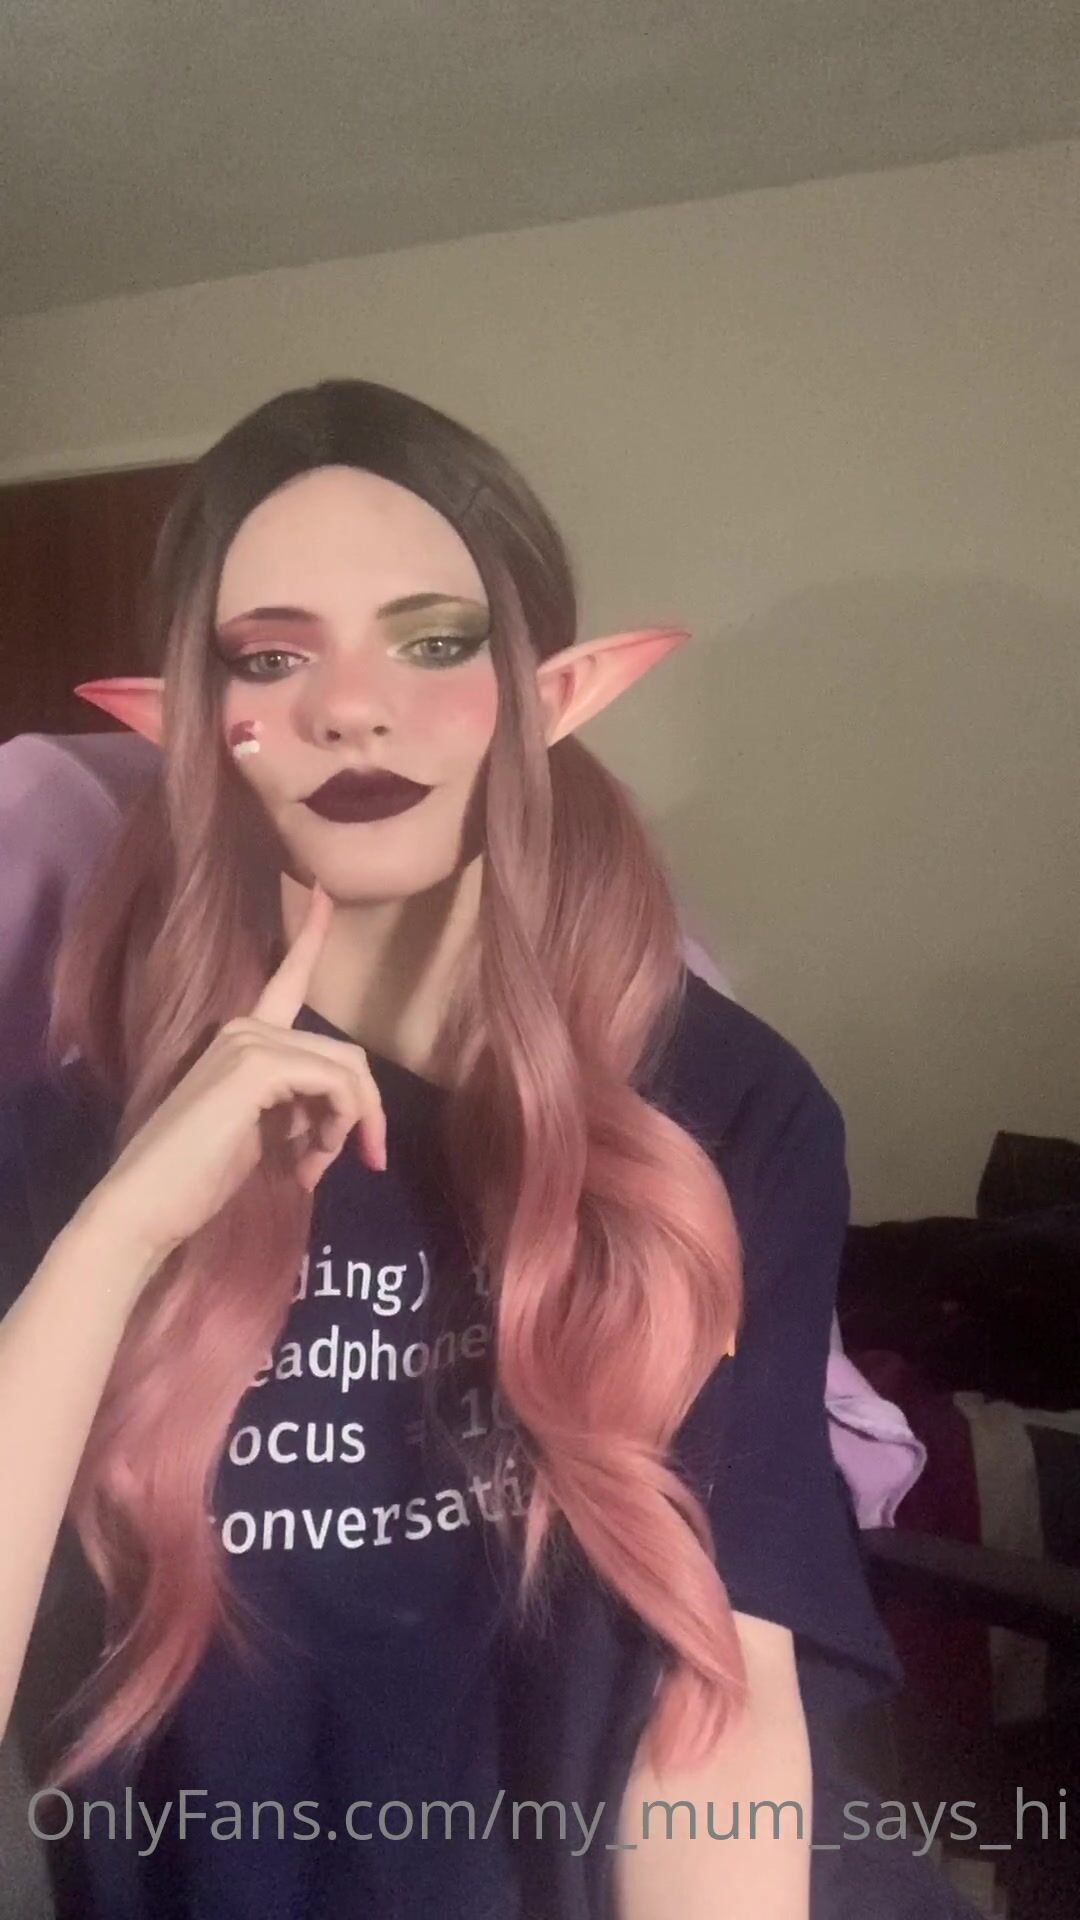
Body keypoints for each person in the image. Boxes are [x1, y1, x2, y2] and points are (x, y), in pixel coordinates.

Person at [0, 378, 977, 1920]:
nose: (352, 709)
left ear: (554, 689)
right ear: (186, 725)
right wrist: (116, 1241)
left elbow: (719, 1705)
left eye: (435, 641)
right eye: (272, 657)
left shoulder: (724, 1106)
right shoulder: (71, 1150)